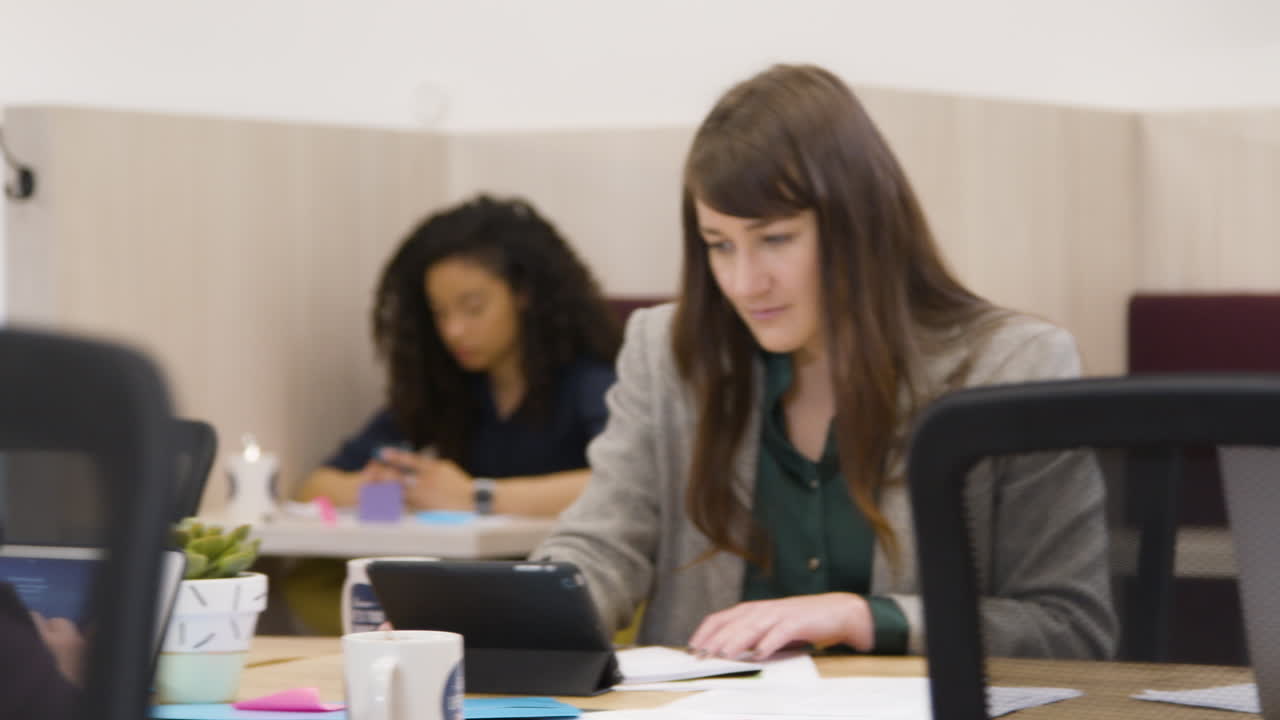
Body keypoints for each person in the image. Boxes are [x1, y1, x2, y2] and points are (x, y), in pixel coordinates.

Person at [533, 64, 1116, 660]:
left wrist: (868, 617)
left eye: (776, 239)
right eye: (719, 244)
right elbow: (603, 546)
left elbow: (1069, 629)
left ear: (857, 225)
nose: (743, 282)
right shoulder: (667, 352)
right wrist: (523, 611)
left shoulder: (1014, 364)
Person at [299, 195, 621, 516]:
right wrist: (398, 488)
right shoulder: (448, 385)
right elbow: (315, 487)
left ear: (524, 294)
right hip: (463, 564)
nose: (453, 330)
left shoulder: (589, 379)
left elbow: (623, 483)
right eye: (439, 313)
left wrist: (475, 497)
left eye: (473, 308)